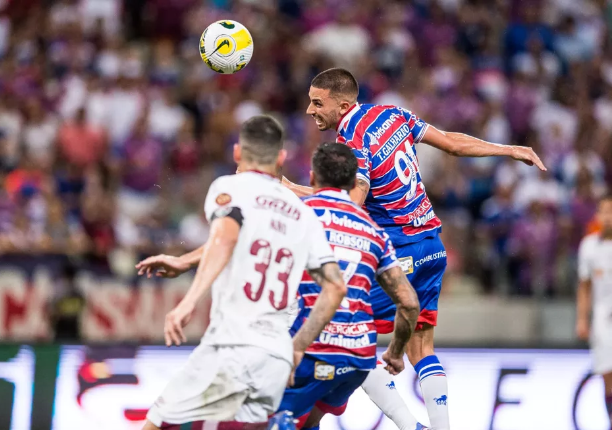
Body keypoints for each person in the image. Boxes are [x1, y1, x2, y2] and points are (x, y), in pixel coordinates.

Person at [281, 68, 546, 430]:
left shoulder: (352, 140)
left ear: (343, 105)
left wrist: (288, 188)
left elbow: (351, 204)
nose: (310, 111)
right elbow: (452, 142)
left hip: (399, 250)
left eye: (317, 103)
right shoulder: (392, 114)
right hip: (432, 248)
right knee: (421, 347)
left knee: (351, 338)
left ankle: (412, 427)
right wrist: (507, 149)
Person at [137, 115, 348, 430]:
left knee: (156, 422)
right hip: (276, 355)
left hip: (232, 345)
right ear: (281, 158)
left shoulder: (229, 187)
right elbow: (335, 287)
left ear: (237, 153)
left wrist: (188, 300)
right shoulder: (302, 213)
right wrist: (297, 348)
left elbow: (226, 237)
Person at [279, 142, 420, 429]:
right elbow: (409, 302)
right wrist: (394, 351)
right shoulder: (373, 230)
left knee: (264, 416)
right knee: (307, 422)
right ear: (353, 181)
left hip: (311, 346)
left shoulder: (301, 214)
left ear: (312, 177)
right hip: (358, 356)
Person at [576, 195, 612, 427]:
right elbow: (584, 286)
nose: (607, 217)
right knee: (607, 375)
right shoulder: (589, 246)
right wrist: (582, 319)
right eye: (603, 211)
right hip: (603, 319)